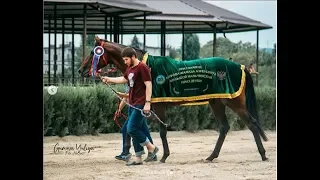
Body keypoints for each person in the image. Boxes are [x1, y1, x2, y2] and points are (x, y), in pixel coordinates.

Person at [101, 47, 158, 166]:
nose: (125, 62)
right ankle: (138, 158)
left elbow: (149, 85)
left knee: (131, 128)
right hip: (132, 103)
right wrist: (109, 79)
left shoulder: (142, 68)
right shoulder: (130, 68)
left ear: (133, 57)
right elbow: (124, 79)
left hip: (141, 104)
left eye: (126, 59)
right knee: (132, 129)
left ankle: (151, 148)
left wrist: (147, 103)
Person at [114, 85, 158, 162]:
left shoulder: (134, 78)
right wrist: (119, 108)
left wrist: (121, 95)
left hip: (137, 107)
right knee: (143, 130)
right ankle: (150, 153)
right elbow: (127, 96)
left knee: (127, 129)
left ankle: (126, 152)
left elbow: (131, 95)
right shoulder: (129, 79)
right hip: (134, 107)